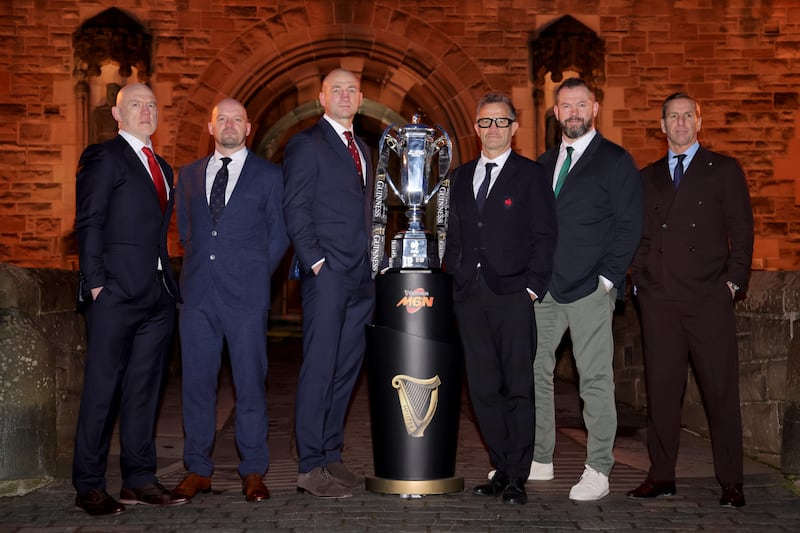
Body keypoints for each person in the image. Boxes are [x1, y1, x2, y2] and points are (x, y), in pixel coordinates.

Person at [627, 93, 753, 508]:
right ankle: (661, 475)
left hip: (708, 300)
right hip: (661, 301)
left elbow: (742, 233)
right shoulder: (647, 178)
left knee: (720, 394)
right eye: (672, 117)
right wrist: (641, 283)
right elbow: (640, 238)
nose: (680, 123)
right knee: (662, 394)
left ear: (699, 123)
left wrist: (731, 286)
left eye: (687, 116)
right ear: (661, 127)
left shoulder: (724, 170)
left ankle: (731, 481)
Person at [73, 82, 185, 516]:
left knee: (145, 391)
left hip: (157, 296)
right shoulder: (104, 157)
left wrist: (164, 288)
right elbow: (89, 222)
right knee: (102, 389)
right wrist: (97, 284)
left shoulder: (164, 168)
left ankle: (139, 480)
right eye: (135, 104)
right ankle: (89, 485)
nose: (146, 110)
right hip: (115, 294)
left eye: (152, 104)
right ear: (118, 115)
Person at [170, 98, 289, 503]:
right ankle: (197, 470)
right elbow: (187, 233)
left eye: (238, 119)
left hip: (246, 297)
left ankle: (254, 470)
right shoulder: (187, 176)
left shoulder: (270, 176)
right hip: (198, 295)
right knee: (197, 385)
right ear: (210, 126)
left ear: (249, 127)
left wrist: (255, 274)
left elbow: (280, 234)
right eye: (223, 119)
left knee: (250, 384)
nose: (230, 125)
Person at [532, 77, 643, 501]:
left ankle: (599, 467)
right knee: (533, 373)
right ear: (556, 113)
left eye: (581, 104)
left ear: (594, 108)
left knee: (594, 378)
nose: (573, 112)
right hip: (545, 291)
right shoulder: (543, 164)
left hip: (589, 290)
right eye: (566, 105)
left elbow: (630, 223)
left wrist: (607, 280)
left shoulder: (615, 161)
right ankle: (540, 458)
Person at [445, 93, 558, 505]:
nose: (492, 129)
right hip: (469, 297)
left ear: (514, 128)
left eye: (500, 122)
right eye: (485, 122)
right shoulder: (459, 177)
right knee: (482, 389)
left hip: (512, 294)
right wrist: (454, 275)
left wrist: (532, 286)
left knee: (518, 388)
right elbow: (454, 235)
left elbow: (546, 235)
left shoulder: (530, 175)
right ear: (475, 128)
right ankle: (499, 466)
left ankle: (516, 475)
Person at [283, 67, 375, 498]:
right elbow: (296, 208)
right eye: (336, 89)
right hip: (328, 275)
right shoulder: (306, 144)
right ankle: (309, 465)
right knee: (319, 368)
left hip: (361, 278)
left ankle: (330, 453)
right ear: (322, 98)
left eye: (351, 90)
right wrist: (316, 262)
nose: (344, 96)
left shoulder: (365, 149)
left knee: (345, 369)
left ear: (360, 99)